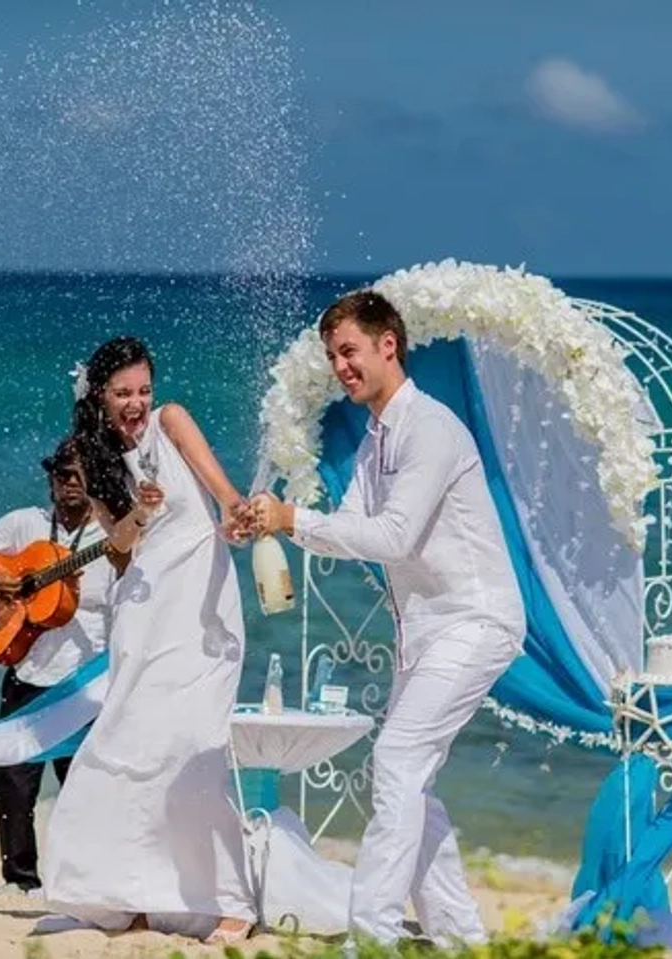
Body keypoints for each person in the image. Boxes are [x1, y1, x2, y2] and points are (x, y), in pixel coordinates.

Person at [250, 290, 526, 947]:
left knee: (398, 757)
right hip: (425, 633)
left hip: (476, 617)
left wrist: (293, 519)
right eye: (332, 356)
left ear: (388, 345)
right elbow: (352, 526)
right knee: (411, 777)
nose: (340, 366)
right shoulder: (377, 439)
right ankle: (460, 936)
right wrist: (276, 522)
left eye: (349, 350)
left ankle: (369, 934)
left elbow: (394, 536)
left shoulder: (429, 427)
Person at [41, 336, 256, 945]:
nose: (136, 403)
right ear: (100, 398)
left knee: (195, 740)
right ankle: (129, 896)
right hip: (143, 605)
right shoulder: (93, 451)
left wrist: (239, 514)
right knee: (129, 741)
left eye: (142, 390)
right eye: (122, 394)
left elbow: (223, 491)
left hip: (200, 596)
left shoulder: (172, 420)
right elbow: (120, 546)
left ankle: (230, 901)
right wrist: (138, 509)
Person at [0, 438, 115, 898]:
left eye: (81, 475)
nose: (72, 484)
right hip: (29, 673)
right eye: (63, 474)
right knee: (12, 779)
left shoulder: (111, 538)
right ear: (51, 480)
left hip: (86, 682)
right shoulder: (26, 525)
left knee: (83, 783)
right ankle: (20, 879)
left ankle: (80, 880)